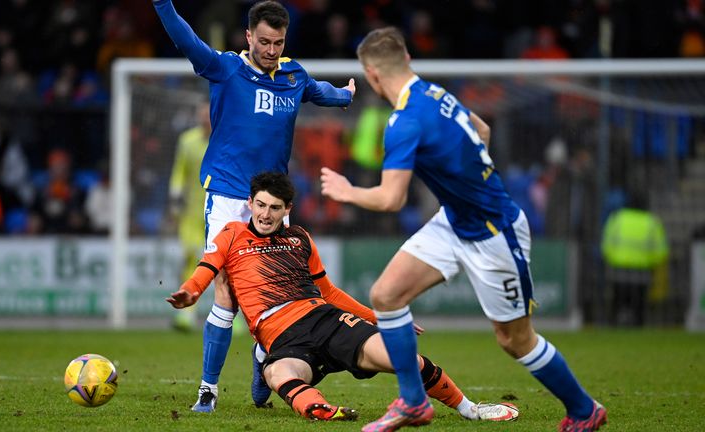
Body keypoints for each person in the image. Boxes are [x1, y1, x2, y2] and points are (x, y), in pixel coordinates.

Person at [320, 27, 607, 432]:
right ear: (408, 62)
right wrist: (466, 186)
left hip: (494, 233)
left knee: (515, 340)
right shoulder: (436, 93)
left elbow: (391, 200)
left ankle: (583, 409)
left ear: (372, 75)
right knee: (386, 295)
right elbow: (483, 132)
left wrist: (347, 191)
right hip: (455, 219)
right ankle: (413, 402)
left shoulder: (403, 122)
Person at [166, 172, 519, 423]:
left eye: (274, 208)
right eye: (259, 205)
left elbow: (329, 291)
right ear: (250, 202)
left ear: (287, 209)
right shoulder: (232, 234)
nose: (264, 214)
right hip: (282, 337)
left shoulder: (299, 238)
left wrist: (379, 318)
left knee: (401, 356)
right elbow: (208, 266)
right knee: (280, 373)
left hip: (324, 319)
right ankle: (322, 409)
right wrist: (191, 291)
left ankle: (470, 409)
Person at [151, 0, 356, 413]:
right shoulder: (226, 68)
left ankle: (264, 366)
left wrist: (346, 95)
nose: (270, 49)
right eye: (263, 41)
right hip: (229, 195)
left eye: (278, 42)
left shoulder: (293, 74)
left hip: (274, 199)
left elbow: (320, 93)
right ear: (248, 36)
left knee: (278, 296)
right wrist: (163, 4)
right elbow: (186, 39)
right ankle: (208, 389)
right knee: (227, 288)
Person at [168, 102, 211, 332]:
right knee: (191, 258)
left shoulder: (226, 138)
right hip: (191, 213)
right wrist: (175, 196)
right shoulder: (187, 141)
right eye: (202, 115)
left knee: (227, 265)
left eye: (209, 115)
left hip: (218, 212)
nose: (206, 119)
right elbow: (179, 171)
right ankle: (187, 314)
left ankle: (233, 318)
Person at [601, 192, 669, 326]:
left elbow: (606, 244)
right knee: (639, 307)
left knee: (617, 303)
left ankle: (614, 326)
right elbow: (661, 251)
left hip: (619, 270)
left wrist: (613, 259)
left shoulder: (618, 218)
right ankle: (638, 326)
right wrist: (650, 262)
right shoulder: (652, 221)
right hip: (642, 272)